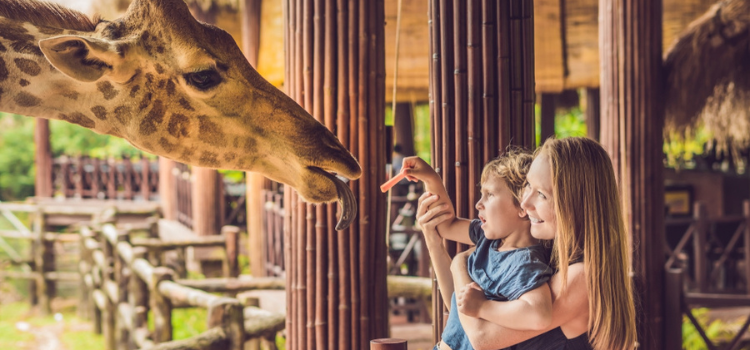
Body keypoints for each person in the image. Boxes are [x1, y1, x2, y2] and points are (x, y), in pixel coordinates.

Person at [418, 137, 637, 350]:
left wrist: (459, 263)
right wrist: (433, 241)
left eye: (541, 194)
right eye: (528, 186)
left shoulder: (580, 278)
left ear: (574, 204)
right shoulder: (544, 252)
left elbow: (481, 337)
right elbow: (461, 320)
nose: (524, 202)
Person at [402, 148, 555, 350]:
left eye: (489, 194)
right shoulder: (489, 238)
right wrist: (431, 179)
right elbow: (445, 225)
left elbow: (539, 315)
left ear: (522, 207)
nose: (478, 204)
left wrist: (483, 307)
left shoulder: (524, 262)